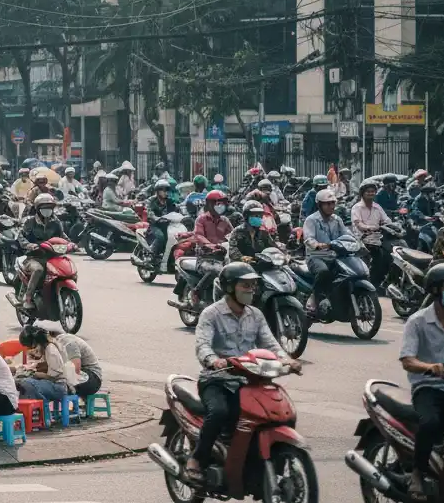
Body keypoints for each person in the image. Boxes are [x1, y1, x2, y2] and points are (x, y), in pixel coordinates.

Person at [186, 263, 297, 482]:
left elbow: (270, 343)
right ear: (229, 287)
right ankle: (197, 458)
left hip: (250, 379)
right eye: (245, 285)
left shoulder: (255, 315)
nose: (251, 290)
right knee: (219, 412)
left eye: (253, 285)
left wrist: (286, 359)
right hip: (217, 379)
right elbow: (202, 345)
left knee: (282, 412)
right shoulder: (211, 313)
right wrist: (213, 360)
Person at [399, 263, 444, 500]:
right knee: (431, 422)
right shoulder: (418, 321)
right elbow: (407, 361)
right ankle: (418, 472)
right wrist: (431, 368)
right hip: (428, 388)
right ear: (436, 290)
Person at [302, 189, 348, 314]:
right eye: (327, 204)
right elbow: (308, 238)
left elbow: (347, 234)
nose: (331, 206)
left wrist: (357, 243)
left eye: (333, 203)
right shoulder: (311, 220)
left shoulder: (337, 219)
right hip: (316, 255)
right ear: (320, 205)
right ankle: (314, 298)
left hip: (335, 254)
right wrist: (317, 245)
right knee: (323, 272)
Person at [353, 179, 393, 287]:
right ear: (362, 193)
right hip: (362, 240)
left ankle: (382, 283)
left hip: (378, 239)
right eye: (368, 191)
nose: (371, 193)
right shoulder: (357, 208)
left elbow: (387, 220)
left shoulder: (377, 207)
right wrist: (370, 228)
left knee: (391, 256)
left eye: (373, 191)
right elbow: (358, 224)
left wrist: (395, 226)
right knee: (375, 260)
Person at [147, 179, 174, 258]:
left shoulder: (169, 201)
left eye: (166, 190)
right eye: (162, 190)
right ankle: (151, 254)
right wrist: (156, 218)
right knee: (160, 237)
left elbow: (177, 208)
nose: (165, 192)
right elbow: (149, 212)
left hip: (168, 225)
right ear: (157, 191)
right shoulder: (151, 200)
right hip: (155, 225)